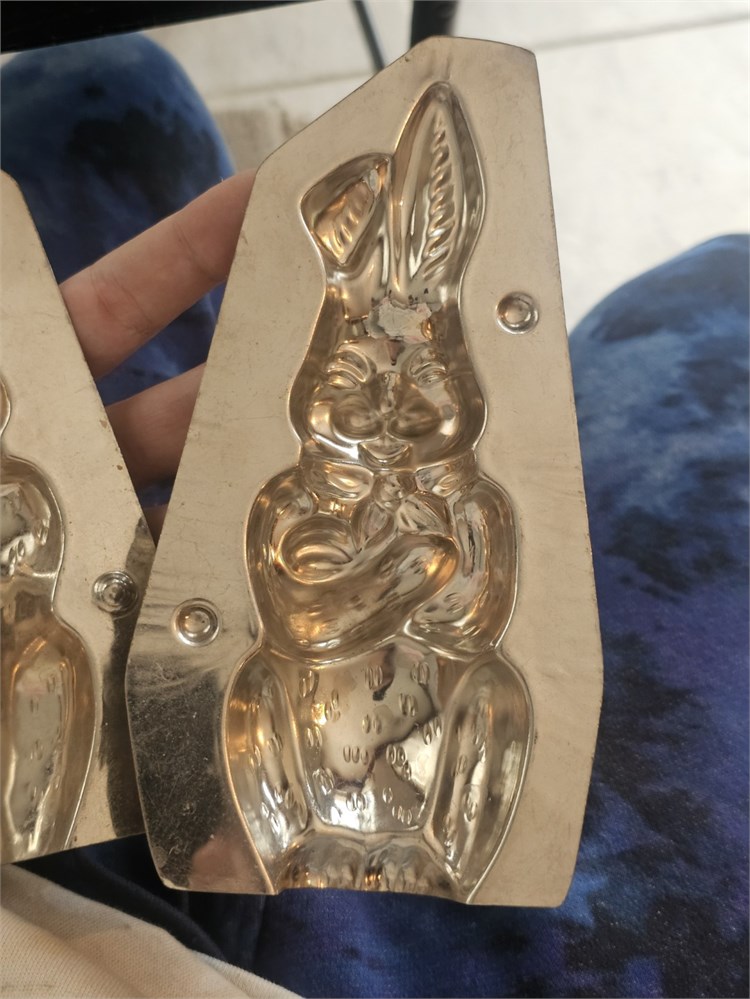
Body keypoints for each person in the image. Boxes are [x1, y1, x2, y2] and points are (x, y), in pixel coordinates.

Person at [1, 33, 747, 999]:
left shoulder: (470, 499)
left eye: (424, 375)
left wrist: (436, 580)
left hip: (411, 753)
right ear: (314, 383)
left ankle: (452, 833)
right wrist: (398, 577)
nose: (390, 404)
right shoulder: (294, 497)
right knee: (725, 287)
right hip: (260, 857)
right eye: (356, 376)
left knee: (108, 82)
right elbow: (301, 619)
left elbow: (474, 621)